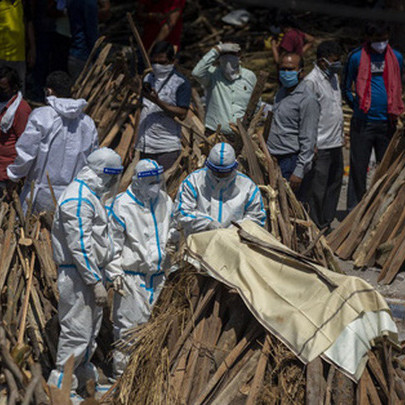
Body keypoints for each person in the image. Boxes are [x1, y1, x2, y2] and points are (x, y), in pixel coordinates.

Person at [48, 148, 123, 396]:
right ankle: (60, 385)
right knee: (76, 331)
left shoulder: (89, 196)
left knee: (89, 332)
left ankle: (81, 379)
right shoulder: (78, 199)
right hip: (78, 275)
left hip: (88, 273)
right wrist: (94, 281)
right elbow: (80, 245)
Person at [106, 159, 174, 379]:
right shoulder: (121, 205)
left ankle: (147, 379)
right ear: (137, 182)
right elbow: (112, 245)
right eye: (150, 182)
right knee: (128, 331)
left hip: (160, 277)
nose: (155, 186)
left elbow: (172, 233)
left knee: (156, 330)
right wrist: (114, 272)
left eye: (157, 181)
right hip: (131, 278)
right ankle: (123, 381)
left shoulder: (164, 200)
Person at [7, 71, 98, 213]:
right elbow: (93, 160)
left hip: (39, 196)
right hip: (72, 197)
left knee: (34, 232)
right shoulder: (87, 122)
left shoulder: (42, 116)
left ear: (48, 91)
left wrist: (13, 177)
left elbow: (26, 153)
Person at [343, 21, 404, 210]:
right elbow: (345, 88)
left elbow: (398, 84)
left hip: (387, 123)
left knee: (386, 168)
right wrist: (358, 108)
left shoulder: (397, 58)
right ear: (368, 39)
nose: (381, 43)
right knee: (358, 169)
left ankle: (382, 208)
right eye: (377, 40)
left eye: (384, 39)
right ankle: (355, 210)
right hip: (363, 124)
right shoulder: (356, 57)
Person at [174, 142, 266, 236]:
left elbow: (257, 217)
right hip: (200, 241)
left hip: (235, 242)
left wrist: (236, 230)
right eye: (216, 172)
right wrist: (207, 224)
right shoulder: (193, 182)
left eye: (225, 173)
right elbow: (182, 212)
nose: (220, 176)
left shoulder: (247, 186)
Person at [266, 53, 320, 196]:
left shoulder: (307, 99)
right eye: (283, 69)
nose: (286, 73)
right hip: (274, 157)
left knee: (290, 207)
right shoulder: (281, 93)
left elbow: (308, 139)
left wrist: (299, 171)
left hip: (291, 160)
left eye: (290, 69)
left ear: (301, 72)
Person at [304, 41, 344, 231]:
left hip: (336, 141)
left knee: (334, 184)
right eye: (334, 61)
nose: (337, 65)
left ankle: (326, 222)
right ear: (322, 61)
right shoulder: (311, 81)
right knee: (317, 188)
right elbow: (306, 115)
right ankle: (317, 223)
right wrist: (311, 143)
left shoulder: (333, 78)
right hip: (320, 143)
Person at [135, 41, 191, 171]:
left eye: (162, 62)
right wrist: (135, 143)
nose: (157, 66)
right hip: (145, 145)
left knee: (164, 185)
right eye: (154, 62)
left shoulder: (180, 83)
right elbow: (141, 110)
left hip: (166, 147)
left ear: (173, 61)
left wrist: (157, 101)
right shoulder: (148, 78)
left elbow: (182, 114)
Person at [192, 42, 257, 139]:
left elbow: (256, 103)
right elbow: (197, 73)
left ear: (239, 56)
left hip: (242, 136)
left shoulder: (249, 76)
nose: (228, 58)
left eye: (232, 54)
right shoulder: (212, 75)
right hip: (215, 135)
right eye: (224, 54)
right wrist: (216, 49)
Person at [0, 67, 31, 196]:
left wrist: (16, 176)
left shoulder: (21, 109)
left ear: (13, 88)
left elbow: (26, 145)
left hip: (6, 173)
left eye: (3, 89)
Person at [0, 0, 36, 92]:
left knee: (19, 91)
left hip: (19, 57)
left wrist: (32, 49)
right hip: (2, 57)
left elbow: (29, 25)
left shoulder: (23, 3)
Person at [66, 0, 98, 80]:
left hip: (74, 54)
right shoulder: (89, 3)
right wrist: (97, 57)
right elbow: (91, 32)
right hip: (85, 56)